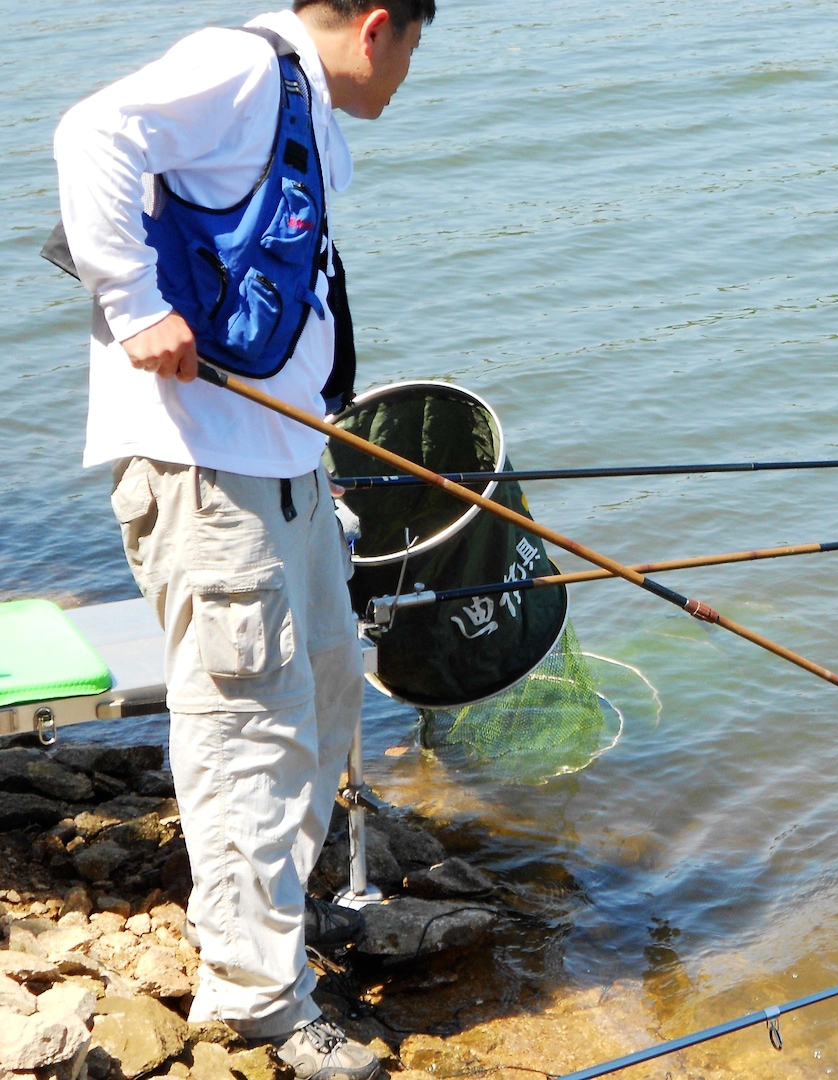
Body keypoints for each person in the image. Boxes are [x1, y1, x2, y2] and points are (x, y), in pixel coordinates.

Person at [52, 3, 435, 1076]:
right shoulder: (244, 68)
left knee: (326, 694)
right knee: (249, 733)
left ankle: (268, 934)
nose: (408, 74)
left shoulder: (302, 103)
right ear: (377, 27)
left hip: (283, 466)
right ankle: (259, 999)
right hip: (207, 475)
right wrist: (134, 304)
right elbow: (90, 130)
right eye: (414, 48)